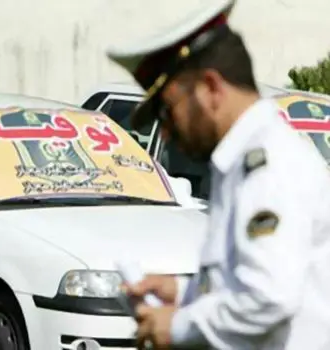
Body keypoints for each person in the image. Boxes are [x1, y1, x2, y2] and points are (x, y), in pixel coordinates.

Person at [106, 0, 330, 349]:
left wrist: (178, 326)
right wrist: (181, 291)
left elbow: (268, 297)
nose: (164, 132)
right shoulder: (239, 161)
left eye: (166, 110)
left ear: (211, 88)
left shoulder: (269, 165)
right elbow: (246, 279)